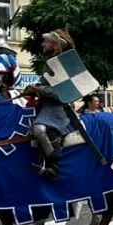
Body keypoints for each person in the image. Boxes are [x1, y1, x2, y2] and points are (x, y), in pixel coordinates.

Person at [23, 29, 77, 181]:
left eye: (46, 41)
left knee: (40, 129)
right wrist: (35, 89)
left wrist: (38, 89)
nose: (42, 44)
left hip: (56, 108)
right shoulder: (51, 63)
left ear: (55, 44)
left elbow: (62, 92)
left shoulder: (62, 64)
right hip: (45, 105)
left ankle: (54, 167)